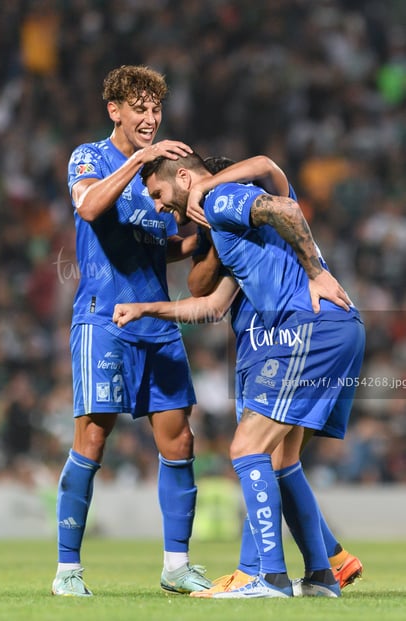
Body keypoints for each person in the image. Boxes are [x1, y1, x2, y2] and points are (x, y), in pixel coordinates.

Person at [113, 151, 365, 598]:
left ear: (186, 177)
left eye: (157, 193)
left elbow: (285, 205)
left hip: (308, 328)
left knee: (249, 447)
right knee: (277, 459)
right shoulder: (239, 235)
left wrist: (316, 273)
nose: (157, 206)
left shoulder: (220, 198)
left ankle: (266, 576)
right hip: (330, 330)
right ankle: (324, 573)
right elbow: (208, 304)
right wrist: (146, 308)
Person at [51, 65, 213, 597]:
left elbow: (158, 245)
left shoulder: (159, 176)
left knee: (180, 438)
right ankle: (68, 571)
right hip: (101, 316)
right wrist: (141, 159)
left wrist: (205, 241)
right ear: (114, 110)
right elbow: (90, 205)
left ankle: (176, 565)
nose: (149, 118)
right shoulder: (89, 158)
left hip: (154, 317)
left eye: (155, 108)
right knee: (93, 438)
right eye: (138, 108)